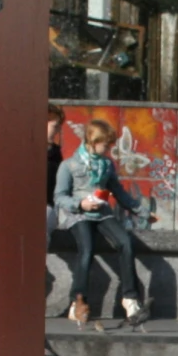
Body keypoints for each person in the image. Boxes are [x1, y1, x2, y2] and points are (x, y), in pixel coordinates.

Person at [53, 114, 145, 326]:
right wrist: (80, 204)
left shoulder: (107, 165)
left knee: (125, 242)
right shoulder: (69, 166)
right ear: (93, 143)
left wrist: (140, 210)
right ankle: (78, 300)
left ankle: (130, 297)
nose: (108, 150)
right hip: (79, 214)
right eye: (105, 145)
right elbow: (59, 197)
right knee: (87, 249)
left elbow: (118, 192)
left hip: (102, 212)